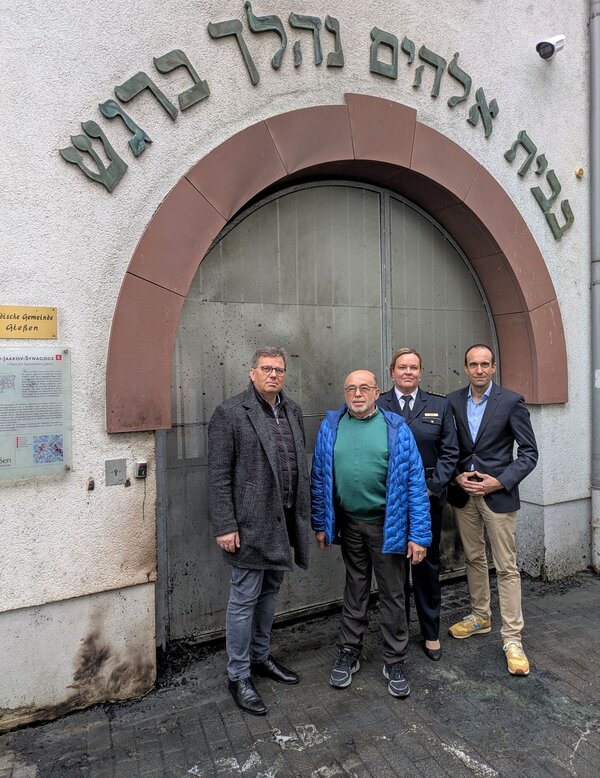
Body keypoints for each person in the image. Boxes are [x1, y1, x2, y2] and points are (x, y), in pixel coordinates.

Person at [311, 370, 431, 698]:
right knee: (355, 589)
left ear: (377, 392)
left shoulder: (396, 428)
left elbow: (415, 485)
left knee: (393, 594)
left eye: (364, 388)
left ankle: (394, 659)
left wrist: (419, 535)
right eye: (351, 388)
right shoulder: (331, 426)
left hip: (386, 524)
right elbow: (319, 477)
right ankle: (349, 652)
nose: (358, 394)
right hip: (349, 524)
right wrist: (321, 523)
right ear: (344, 393)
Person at [207, 346, 311, 715]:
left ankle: (260, 657)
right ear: (252, 373)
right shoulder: (231, 413)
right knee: (244, 600)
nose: (273, 375)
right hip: (251, 525)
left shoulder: (293, 410)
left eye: (279, 370)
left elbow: (301, 464)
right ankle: (237, 675)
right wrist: (225, 525)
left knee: (270, 593)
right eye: (266, 369)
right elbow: (218, 476)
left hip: (284, 521)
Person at [446, 344, 538, 676]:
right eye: (473, 364)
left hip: (497, 495)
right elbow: (450, 445)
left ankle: (513, 639)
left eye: (485, 364)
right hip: (464, 494)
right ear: (466, 368)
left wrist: (497, 482)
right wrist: (456, 473)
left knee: (506, 567)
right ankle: (480, 616)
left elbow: (529, 453)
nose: (480, 370)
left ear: (494, 367)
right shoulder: (453, 401)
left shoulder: (511, 402)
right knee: (473, 558)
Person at [378, 347, 458, 661]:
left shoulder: (439, 404)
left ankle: (430, 632)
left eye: (413, 367)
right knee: (394, 571)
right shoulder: (378, 404)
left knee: (426, 568)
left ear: (420, 372)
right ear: (392, 372)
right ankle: (397, 633)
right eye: (402, 367)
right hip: (389, 501)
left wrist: (431, 487)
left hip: (427, 499)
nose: (408, 372)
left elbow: (450, 451)